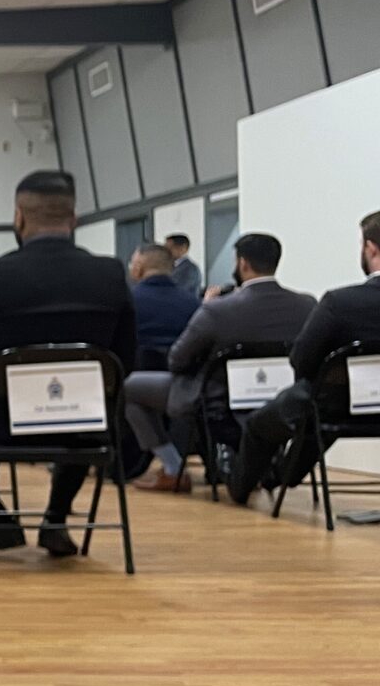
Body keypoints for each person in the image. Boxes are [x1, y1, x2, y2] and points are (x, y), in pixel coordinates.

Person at [0, 170, 136, 558]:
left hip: (2, 422)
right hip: (87, 421)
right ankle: (55, 520)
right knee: (85, 407)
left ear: (19, 217)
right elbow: (124, 359)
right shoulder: (110, 274)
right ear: (73, 218)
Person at [126, 232, 315, 494]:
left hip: (215, 401)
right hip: (282, 400)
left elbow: (177, 360)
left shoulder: (218, 309)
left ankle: (172, 467)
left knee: (131, 387)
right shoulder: (306, 306)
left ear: (243, 263)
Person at [228, 211, 380, 504]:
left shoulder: (340, 302)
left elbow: (301, 359)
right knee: (313, 410)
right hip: (338, 406)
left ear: (370, 248)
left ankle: (242, 488)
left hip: (339, 407)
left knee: (279, 418)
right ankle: (278, 476)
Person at [129, 242, 200, 368]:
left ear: (138, 268)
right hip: (180, 377)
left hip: (136, 378)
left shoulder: (128, 301)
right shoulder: (193, 303)